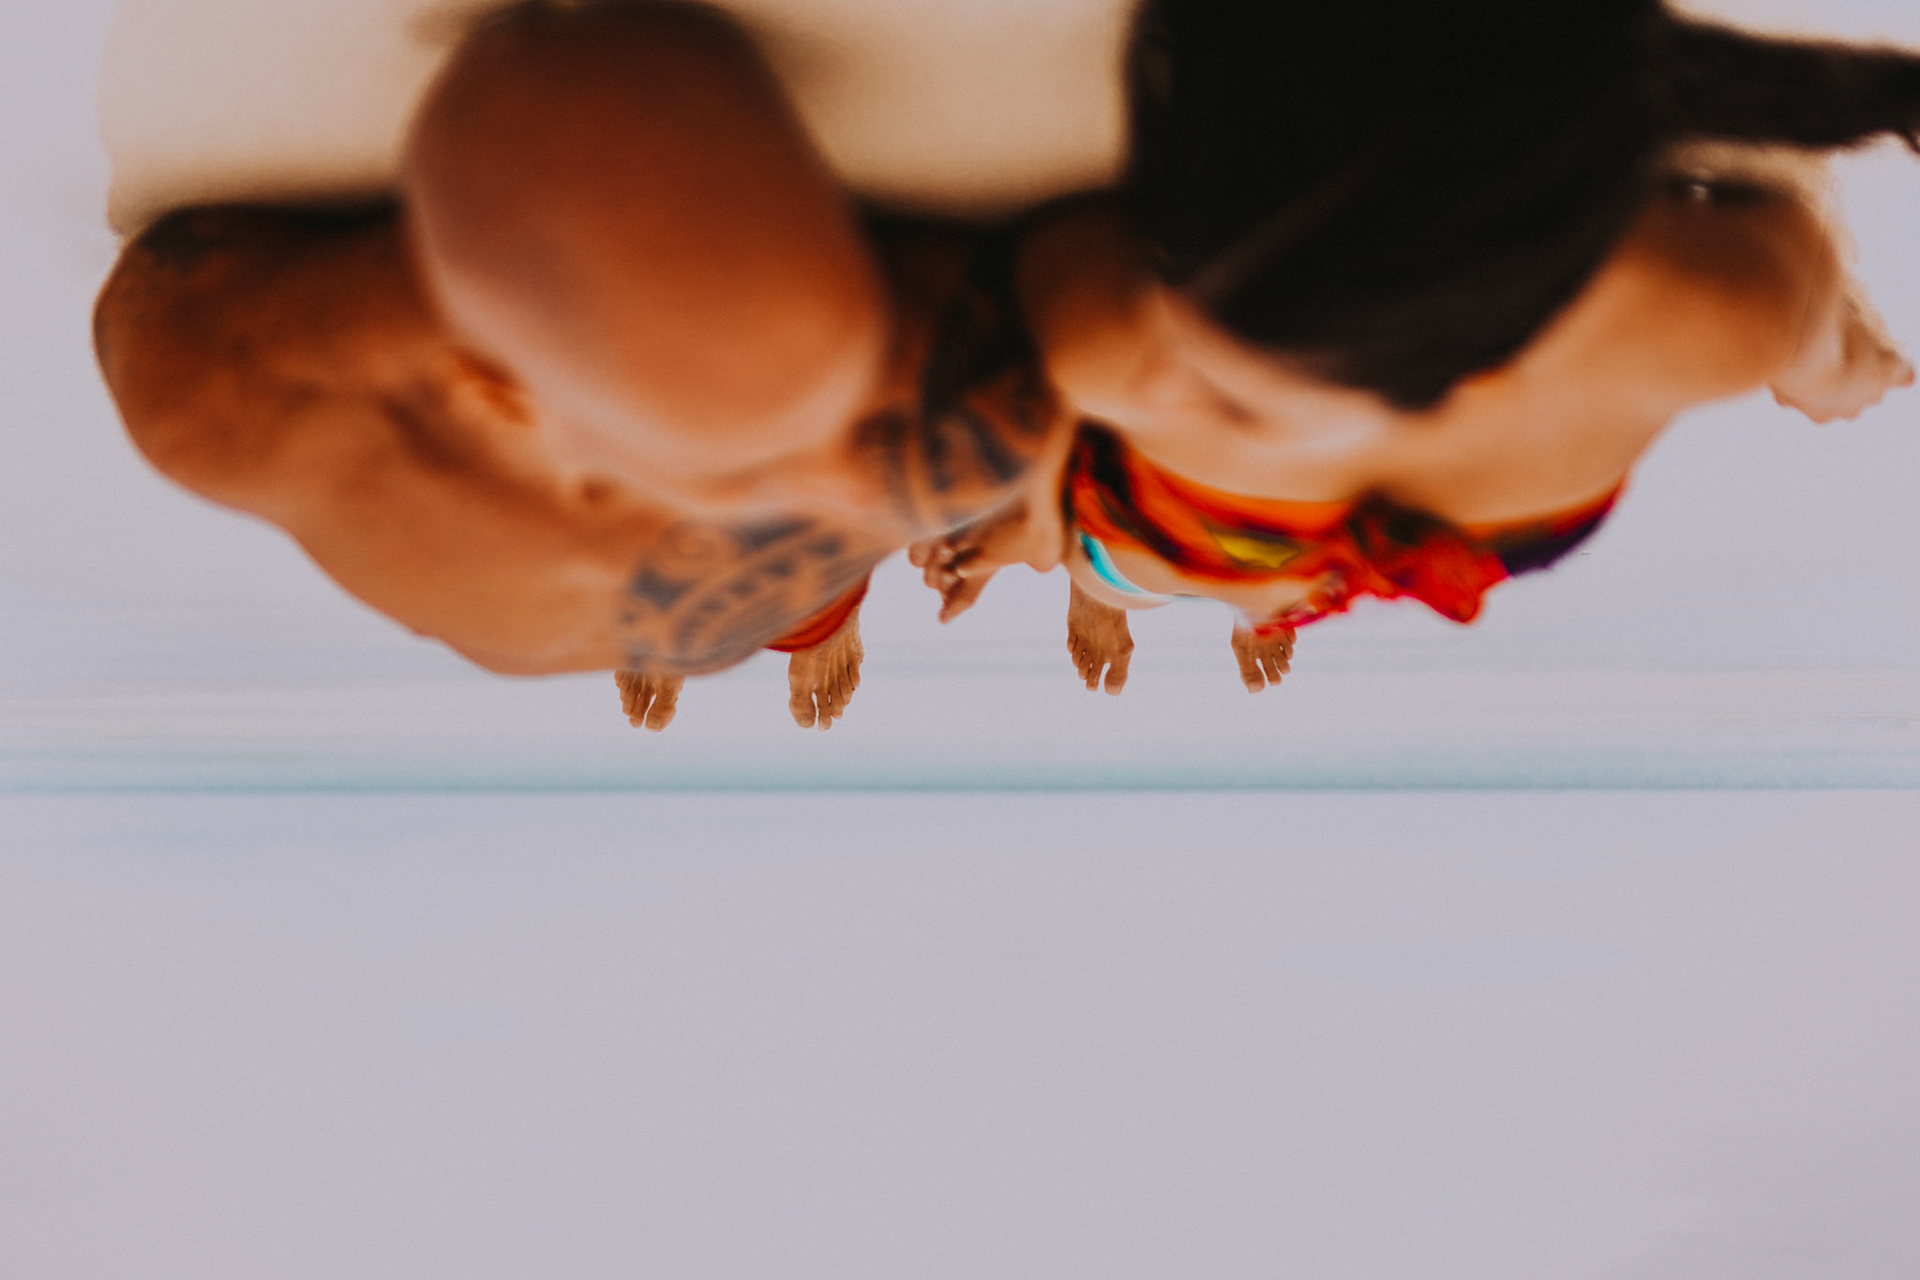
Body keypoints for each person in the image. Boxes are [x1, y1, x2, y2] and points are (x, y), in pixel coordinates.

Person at [913, 2, 1919, 686]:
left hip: (1202, 512)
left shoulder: (1134, 353)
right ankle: (1106, 568)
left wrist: (1050, 501)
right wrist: (1832, 357)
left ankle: (1085, 562)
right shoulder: (1713, 311)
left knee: (1121, 561)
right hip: (1498, 498)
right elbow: (1818, 332)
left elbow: (1049, 340)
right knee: (1132, 565)